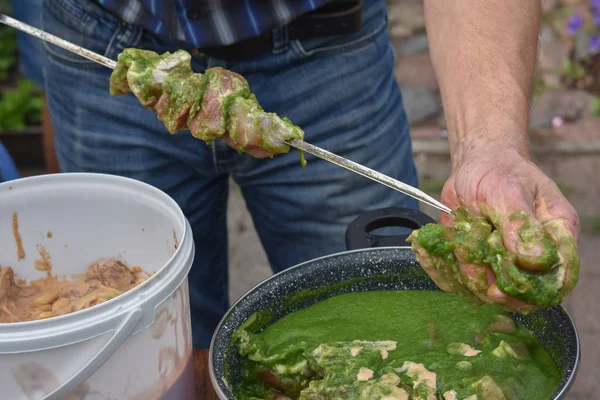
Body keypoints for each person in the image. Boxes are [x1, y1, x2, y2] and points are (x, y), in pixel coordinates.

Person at [40, 0, 579, 349]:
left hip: (324, 43)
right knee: (141, 345)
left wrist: (491, 144)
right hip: (99, 39)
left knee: (394, 328)